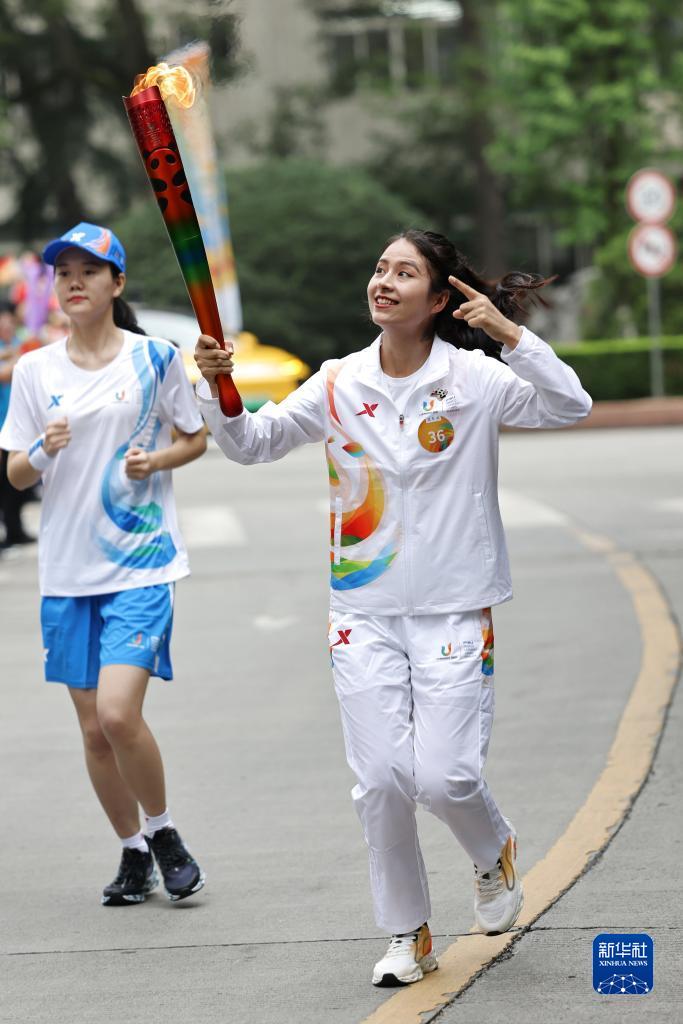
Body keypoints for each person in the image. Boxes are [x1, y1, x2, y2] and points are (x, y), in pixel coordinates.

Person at [194, 228, 592, 986]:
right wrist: (214, 389)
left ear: (439, 299)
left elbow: (568, 405)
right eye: (379, 268)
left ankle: (491, 849)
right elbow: (251, 443)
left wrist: (512, 337)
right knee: (380, 779)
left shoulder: (475, 379)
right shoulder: (340, 381)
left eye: (403, 273)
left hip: (451, 608)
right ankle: (406, 932)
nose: (383, 282)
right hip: (362, 609)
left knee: (444, 779)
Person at [0, 222, 208, 906]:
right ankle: (131, 852)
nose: (74, 283)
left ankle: (164, 831)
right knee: (91, 730)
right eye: (64, 273)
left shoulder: (155, 359)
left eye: (90, 271)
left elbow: (195, 437)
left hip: (141, 563)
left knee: (119, 715)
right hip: (67, 571)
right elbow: (18, 475)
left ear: (116, 284)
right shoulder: (35, 369)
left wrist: (159, 459)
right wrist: (43, 449)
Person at [0, 298, 34, 549]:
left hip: (14, 424)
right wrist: (20, 361)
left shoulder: (14, 344)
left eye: (10, 319)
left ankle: (14, 530)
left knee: (14, 486)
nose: (7, 323)